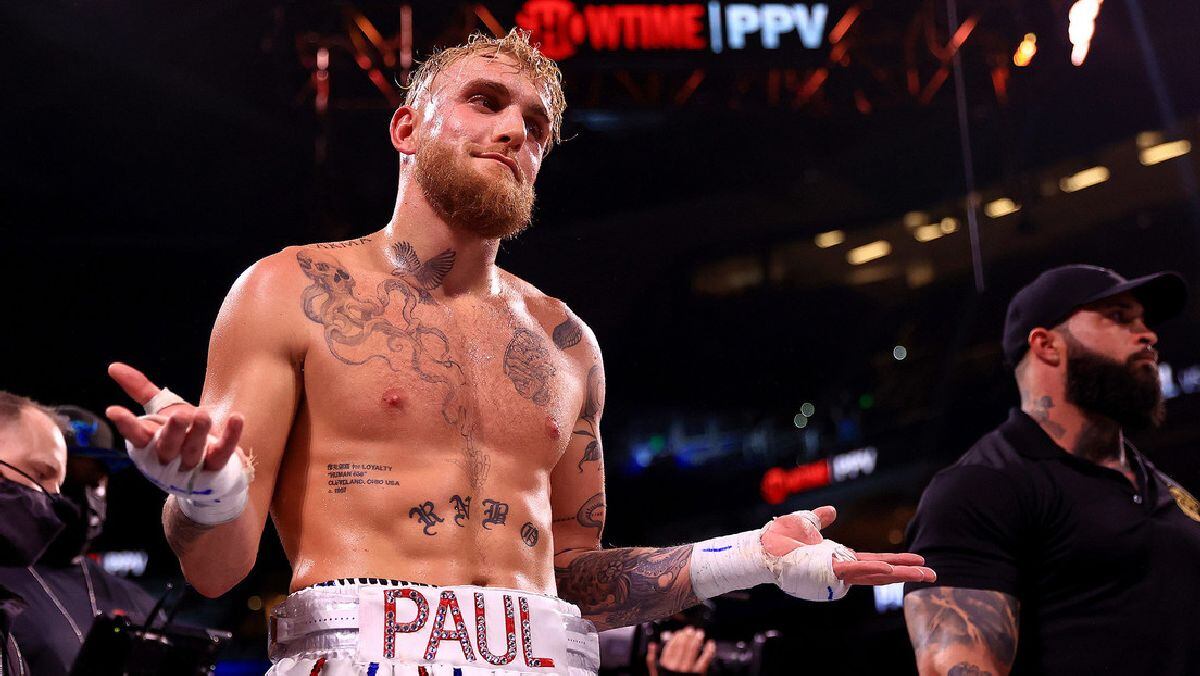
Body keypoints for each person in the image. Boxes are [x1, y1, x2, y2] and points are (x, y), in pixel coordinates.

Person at [104, 29, 933, 675]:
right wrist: (208, 493)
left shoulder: (567, 343)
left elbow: (573, 578)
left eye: (535, 124)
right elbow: (217, 571)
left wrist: (748, 557)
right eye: (486, 102)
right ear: (407, 126)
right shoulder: (292, 290)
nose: (513, 131)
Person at [903, 264, 1200, 675]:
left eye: (1144, 321)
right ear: (1046, 345)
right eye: (1119, 317)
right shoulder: (983, 487)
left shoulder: (1169, 492)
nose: (1148, 334)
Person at [0, 394, 157, 675]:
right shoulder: (7, 585)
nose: (80, 499)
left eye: (95, 481)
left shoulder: (137, 601)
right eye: (70, 479)